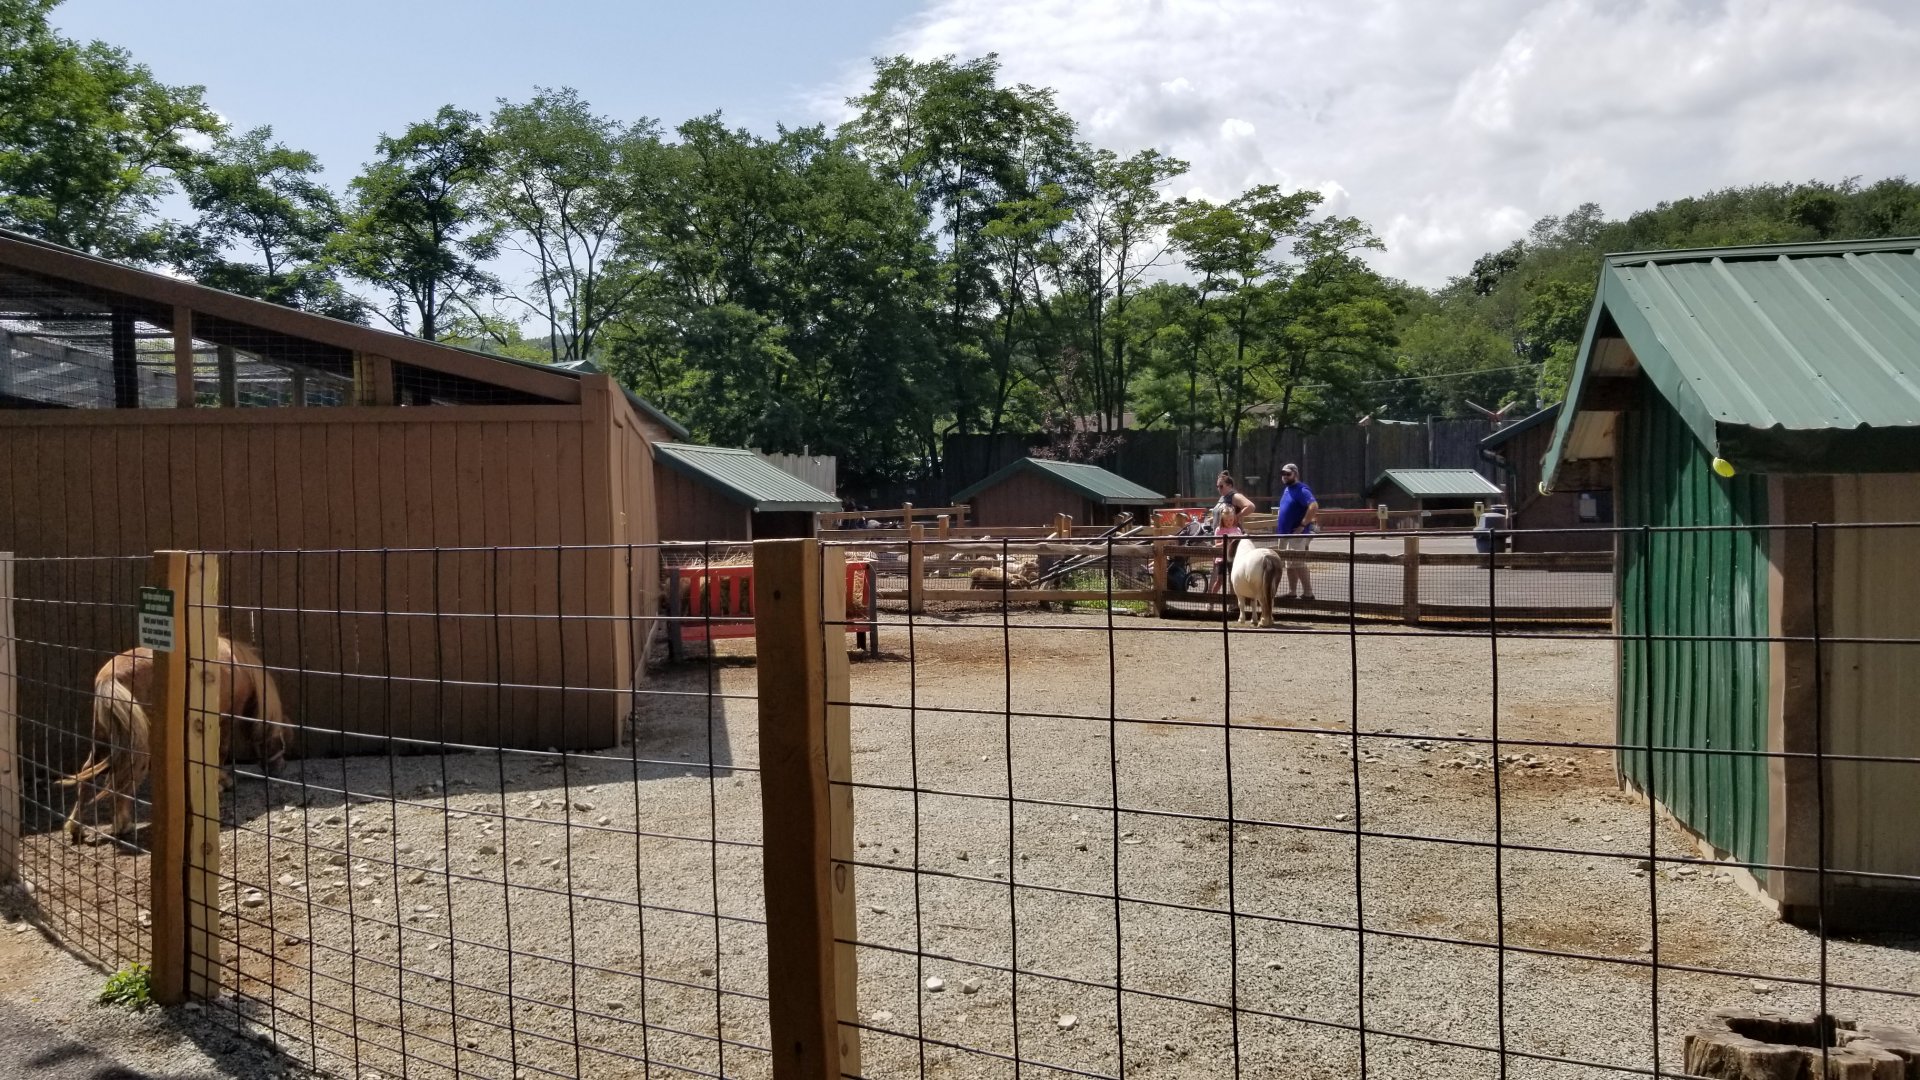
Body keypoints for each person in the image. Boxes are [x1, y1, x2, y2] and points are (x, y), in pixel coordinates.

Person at [1274, 462, 1319, 600]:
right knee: (1289, 564)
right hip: (1285, 533)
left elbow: (1313, 506)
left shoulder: (1301, 489)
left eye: (1288, 474)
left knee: (1298, 563)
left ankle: (1308, 593)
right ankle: (1292, 591)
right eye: (1283, 474)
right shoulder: (1288, 489)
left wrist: (1302, 525)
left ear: (1295, 474)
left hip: (1296, 534)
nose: (1285, 476)